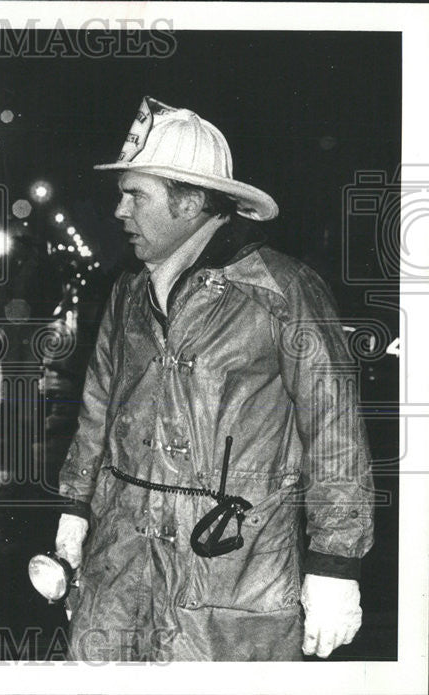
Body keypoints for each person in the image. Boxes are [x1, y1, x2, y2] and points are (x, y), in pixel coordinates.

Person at [54, 97, 374, 661]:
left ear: (191, 200)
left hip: (232, 576)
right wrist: (75, 506)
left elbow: (336, 432)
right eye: (121, 193)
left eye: (136, 195)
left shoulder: (282, 292)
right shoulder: (128, 292)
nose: (119, 211)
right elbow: (97, 408)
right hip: (120, 568)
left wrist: (335, 565)